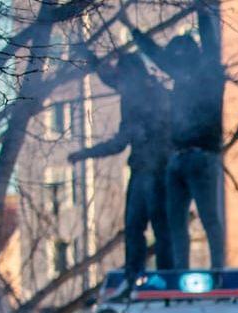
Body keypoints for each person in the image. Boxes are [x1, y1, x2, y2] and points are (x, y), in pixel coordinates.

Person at [129, 1, 226, 269]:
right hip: (178, 158)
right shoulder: (181, 77)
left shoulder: (209, 74)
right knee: (176, 223)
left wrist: (203, 12)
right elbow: (157, 56)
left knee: (208, 219)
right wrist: (133, 31)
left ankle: (217, 268)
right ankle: (181, 272)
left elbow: (210, 45)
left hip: (202, 155)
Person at [69, 49, 174, 279]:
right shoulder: (149, 91)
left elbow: (119, 143)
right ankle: (158, 274)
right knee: (152, 229)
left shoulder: (141, 99)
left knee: (144, 228)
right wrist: (94, 61)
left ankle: (141, 274)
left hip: (151, 172)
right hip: (151, 171)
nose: (121, 84)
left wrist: (85, 153)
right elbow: (112, 79)